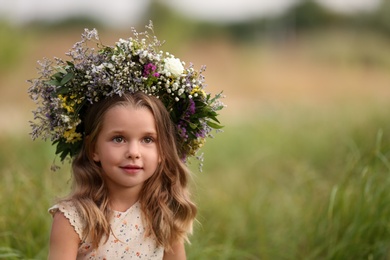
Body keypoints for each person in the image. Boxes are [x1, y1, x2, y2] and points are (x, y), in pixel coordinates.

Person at [28, 22, 224, 259]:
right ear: (93, 149)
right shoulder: (73, 218)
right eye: (118, 138)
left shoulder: (164, 215)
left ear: (164, 150)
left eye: (148, 140)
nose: (133, 152)